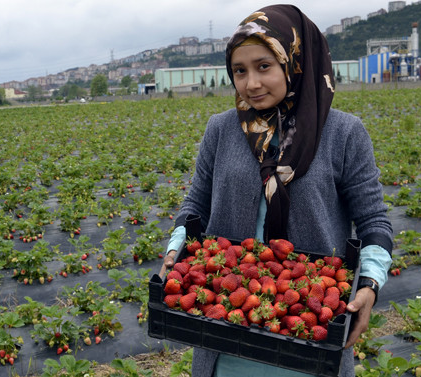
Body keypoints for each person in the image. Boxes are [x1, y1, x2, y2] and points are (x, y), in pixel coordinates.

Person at [160, 5, 392, 377]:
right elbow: (195, 205)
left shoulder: (343, 133)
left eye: (264, 66)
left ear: (295, 61)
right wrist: (175, 249)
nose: (251, 83)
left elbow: (373, 220)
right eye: (240, 70)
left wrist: (369, 284)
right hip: (226, 329)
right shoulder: (220, 130)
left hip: (309, 329)